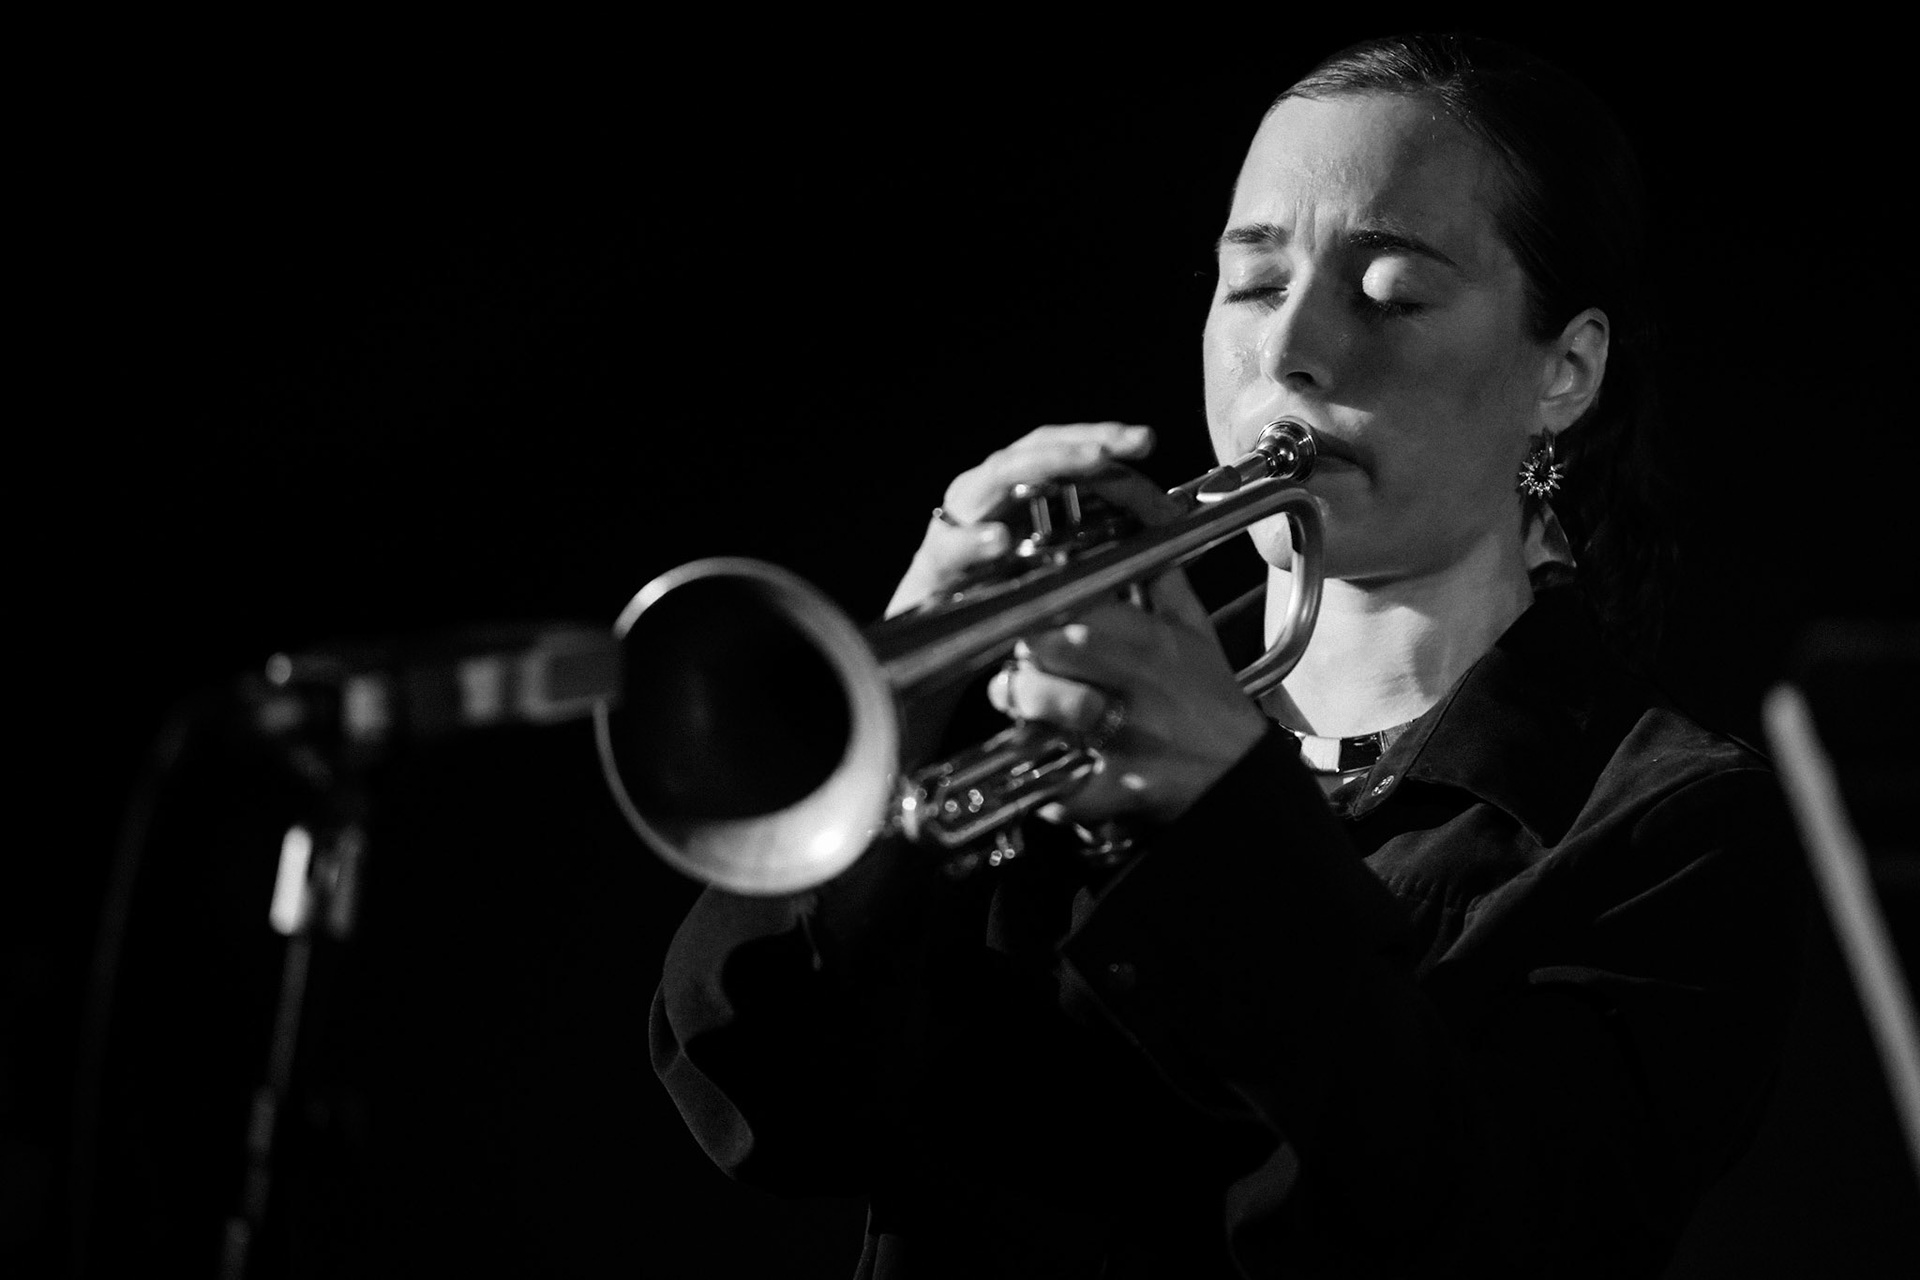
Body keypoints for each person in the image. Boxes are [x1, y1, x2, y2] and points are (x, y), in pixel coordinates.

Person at [649, 33, 1803, 1278]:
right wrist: (903, 690)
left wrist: (1227, 813)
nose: (1295, 348)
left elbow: (1486, 1226)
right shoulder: (1036, 735)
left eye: (1393, 293)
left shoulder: (1674, 825)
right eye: (1252, 285)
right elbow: (755, 1101)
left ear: (1564, 370)